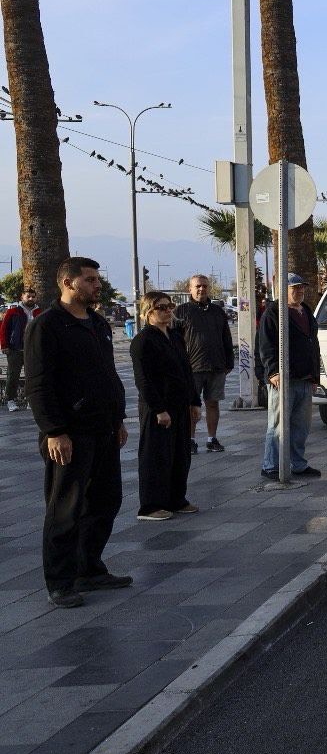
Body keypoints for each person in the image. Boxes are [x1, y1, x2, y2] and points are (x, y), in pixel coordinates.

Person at [26, 257, 130, 608]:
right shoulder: (47, 326)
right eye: (89, 280)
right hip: (69, 434)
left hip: (104, 429)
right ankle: (61, 581)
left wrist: (118, 420)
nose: (97, 285)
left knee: (106, 500)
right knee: (66, 508)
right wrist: (55, 431)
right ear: (68, 283)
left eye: (97, 279)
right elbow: (39, 386)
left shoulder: (97, 324)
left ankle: (90, 568)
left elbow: (107, 375)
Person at [131, 292, 200, 521]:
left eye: (170, 306)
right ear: (148, 312)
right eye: (162, 307)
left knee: (180, 454)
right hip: (158, 408)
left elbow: (186, 370)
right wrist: (159, 409)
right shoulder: (143, 340)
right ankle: (150, 506)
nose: (168, 311)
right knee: (156, 456)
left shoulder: (175, 336)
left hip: (180, 405)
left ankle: (176, 499)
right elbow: (143, 380)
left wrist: (194, 401)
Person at [258, 273, 320, 479]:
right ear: (283, 290)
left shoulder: (306, 312)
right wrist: (273, 371)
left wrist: (315, 376)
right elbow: (266, 346)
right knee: (277, 425)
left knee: (301, 426)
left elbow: (313, 344)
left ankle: (298, 463)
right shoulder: (273, 313)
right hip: (283, 380)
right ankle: (271, 466)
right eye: (294, 288)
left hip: (304, 378)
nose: (299, 291)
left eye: (301, 287)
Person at [174, 274, 234, 454]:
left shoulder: (218, 311)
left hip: (216, 366)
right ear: (190, 289)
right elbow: (175, 341)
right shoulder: (181, 311)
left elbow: (226, 338)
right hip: (192, 367)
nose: (201, 289)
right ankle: (190, 440)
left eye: (205, 286)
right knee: (192, 405)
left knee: (213, 403)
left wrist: (229, 362)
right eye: (198, 286)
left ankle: (211, 438)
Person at [2, 285, 41, 411]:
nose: (30, 298)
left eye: (33, 297)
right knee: (13, 375)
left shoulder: (39, 312)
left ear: (36, 298)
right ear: (22, 297)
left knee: (32, 376)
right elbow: (4, 329)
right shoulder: (13, 312)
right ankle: (10, 400)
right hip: (15, 349)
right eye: (28, 296)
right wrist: (4, 345)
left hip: (32, 350)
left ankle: (31, 401)